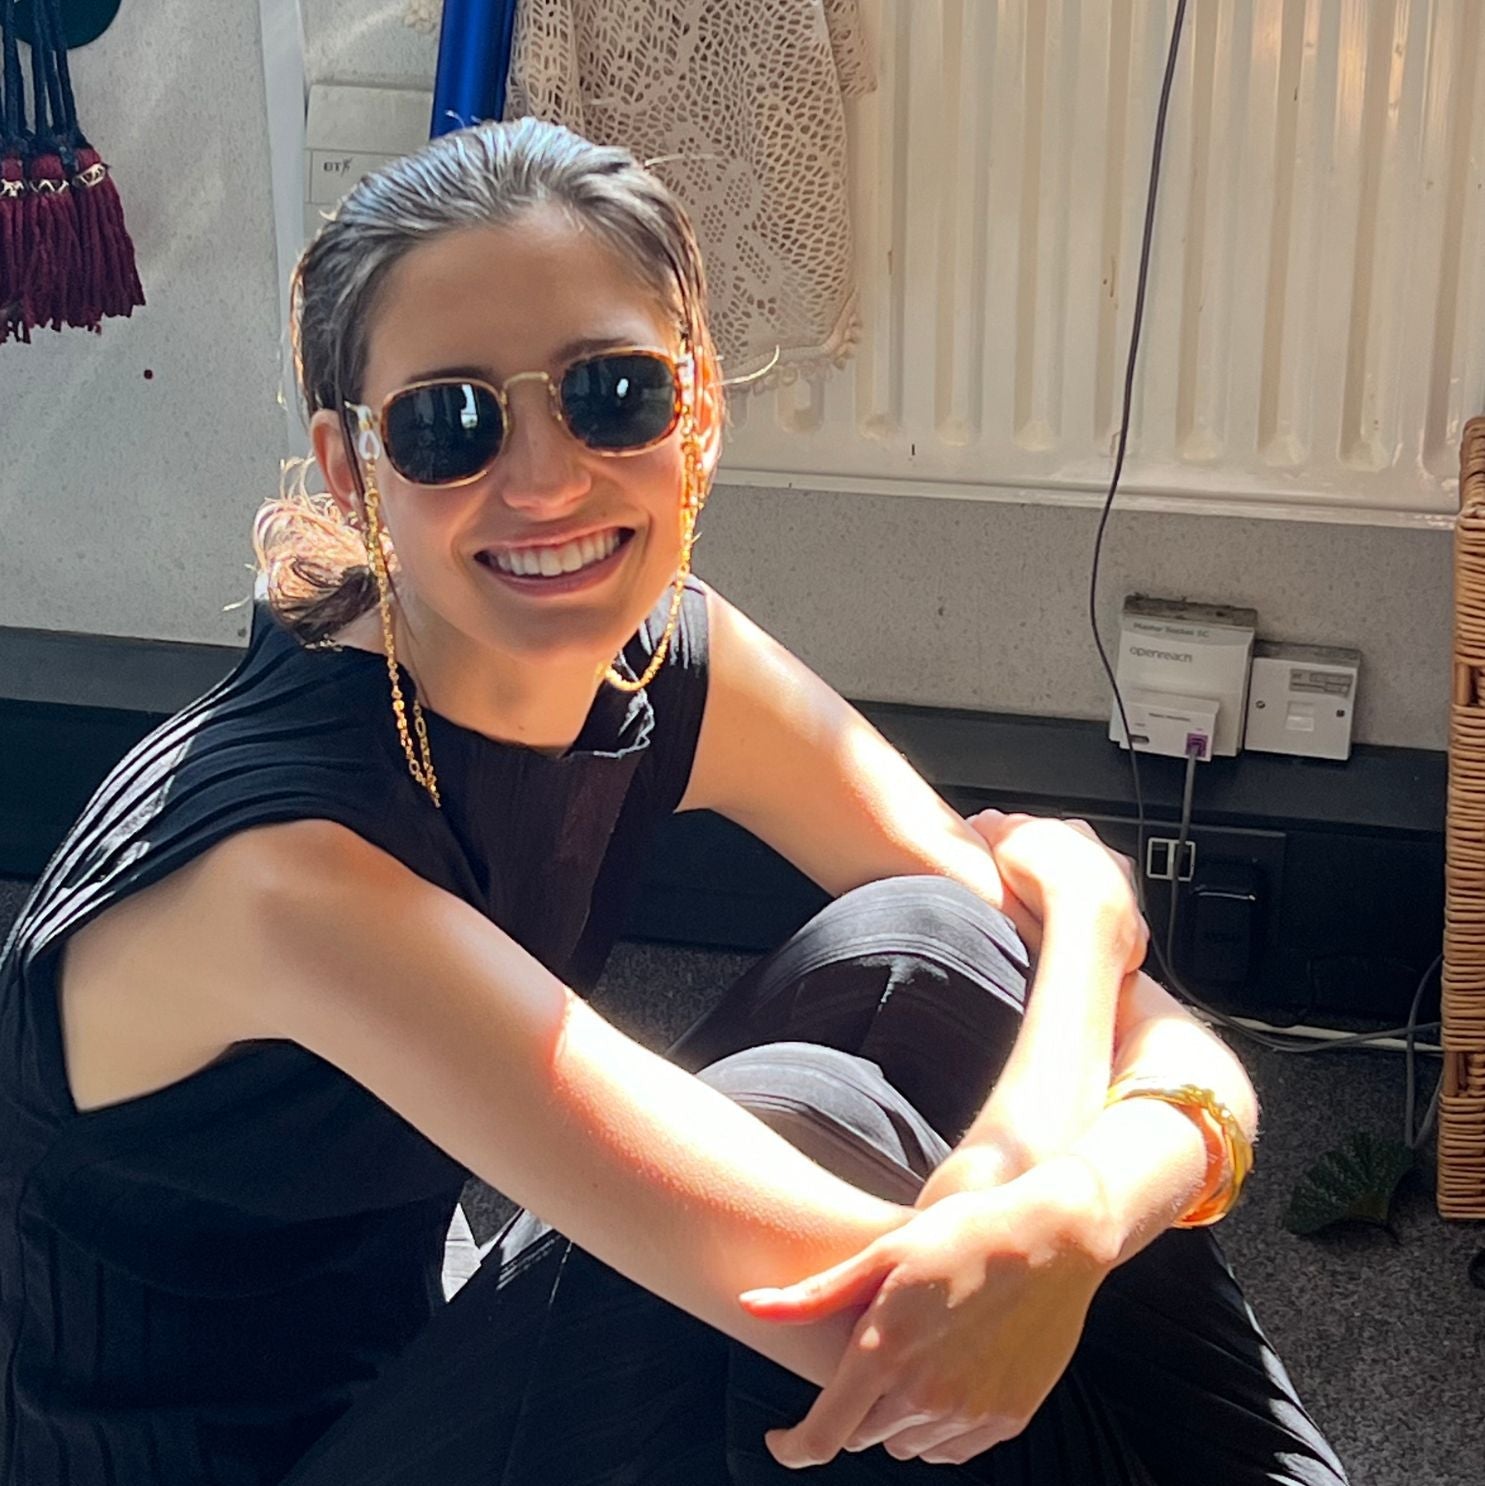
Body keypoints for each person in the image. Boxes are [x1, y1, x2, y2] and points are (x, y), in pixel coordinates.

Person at [0, 117, 1350, 1486]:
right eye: (447, 420)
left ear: (696, 410)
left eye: (610, 395)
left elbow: (1068, 998)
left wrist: (1083, 1184)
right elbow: (881, 1336)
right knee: (831, 1136)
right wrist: (1098, 919)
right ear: (355, 472)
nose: (541, 479)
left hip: (406, 1370)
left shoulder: (657, 649)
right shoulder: (279, 883)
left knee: (935, 951)